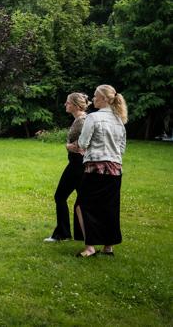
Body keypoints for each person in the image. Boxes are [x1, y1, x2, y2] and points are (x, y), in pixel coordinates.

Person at [73, 84, 128, 257]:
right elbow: (122, 147)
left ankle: (89, 247)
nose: (93, 98)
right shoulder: (119, 119)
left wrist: (71, 146)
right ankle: (108, 247)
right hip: (115, 170)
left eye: (96, 96)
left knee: (82, 205)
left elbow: (82, 143)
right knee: (109, 207)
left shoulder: (93, 118)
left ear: (104, 99)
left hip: (95, 168)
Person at [44, 92, 90, 242]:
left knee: (60, 196)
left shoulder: (82, 121)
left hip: (77, 164)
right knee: (82, 200)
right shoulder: (81, 119)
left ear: (76, 105)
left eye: (68, 102)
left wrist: (69, 146)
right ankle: (81, 235)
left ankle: (62, 234)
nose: (65, 104)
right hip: (79, 163)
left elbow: (84, 143)